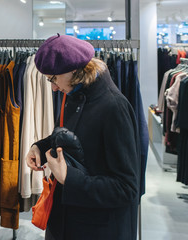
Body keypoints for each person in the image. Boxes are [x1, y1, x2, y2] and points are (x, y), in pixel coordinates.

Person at [26, 34, 141, 240]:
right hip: (65, 221)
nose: (53, 87)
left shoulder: (114, 107)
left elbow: (127, 188)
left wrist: (69, 179)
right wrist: (40, 148)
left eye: (53, 78)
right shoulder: (74, 95)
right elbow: (68, 138)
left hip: (97, 229)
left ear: (74, 70)